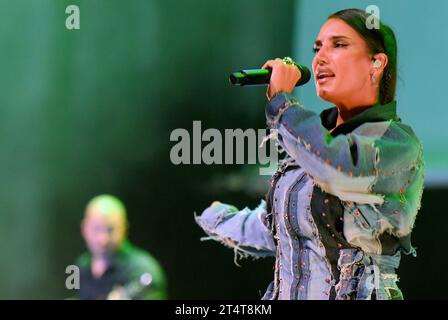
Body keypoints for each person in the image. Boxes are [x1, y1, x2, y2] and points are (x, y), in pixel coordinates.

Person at [195, 8, 425, 300]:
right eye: (317, 48)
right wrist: (214, 217)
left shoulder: (397, 144)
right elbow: (281, 227)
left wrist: (282, 102)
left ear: (376, 63)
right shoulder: (313, 142)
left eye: (338, 45)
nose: (320, 58)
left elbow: (340, 169)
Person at [75, 194, 167, 300]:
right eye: (96, 229)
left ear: (124, 228)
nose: (103, 239)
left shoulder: (142, 269)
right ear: (84, 229)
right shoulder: (81, 266)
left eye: (111, 229)